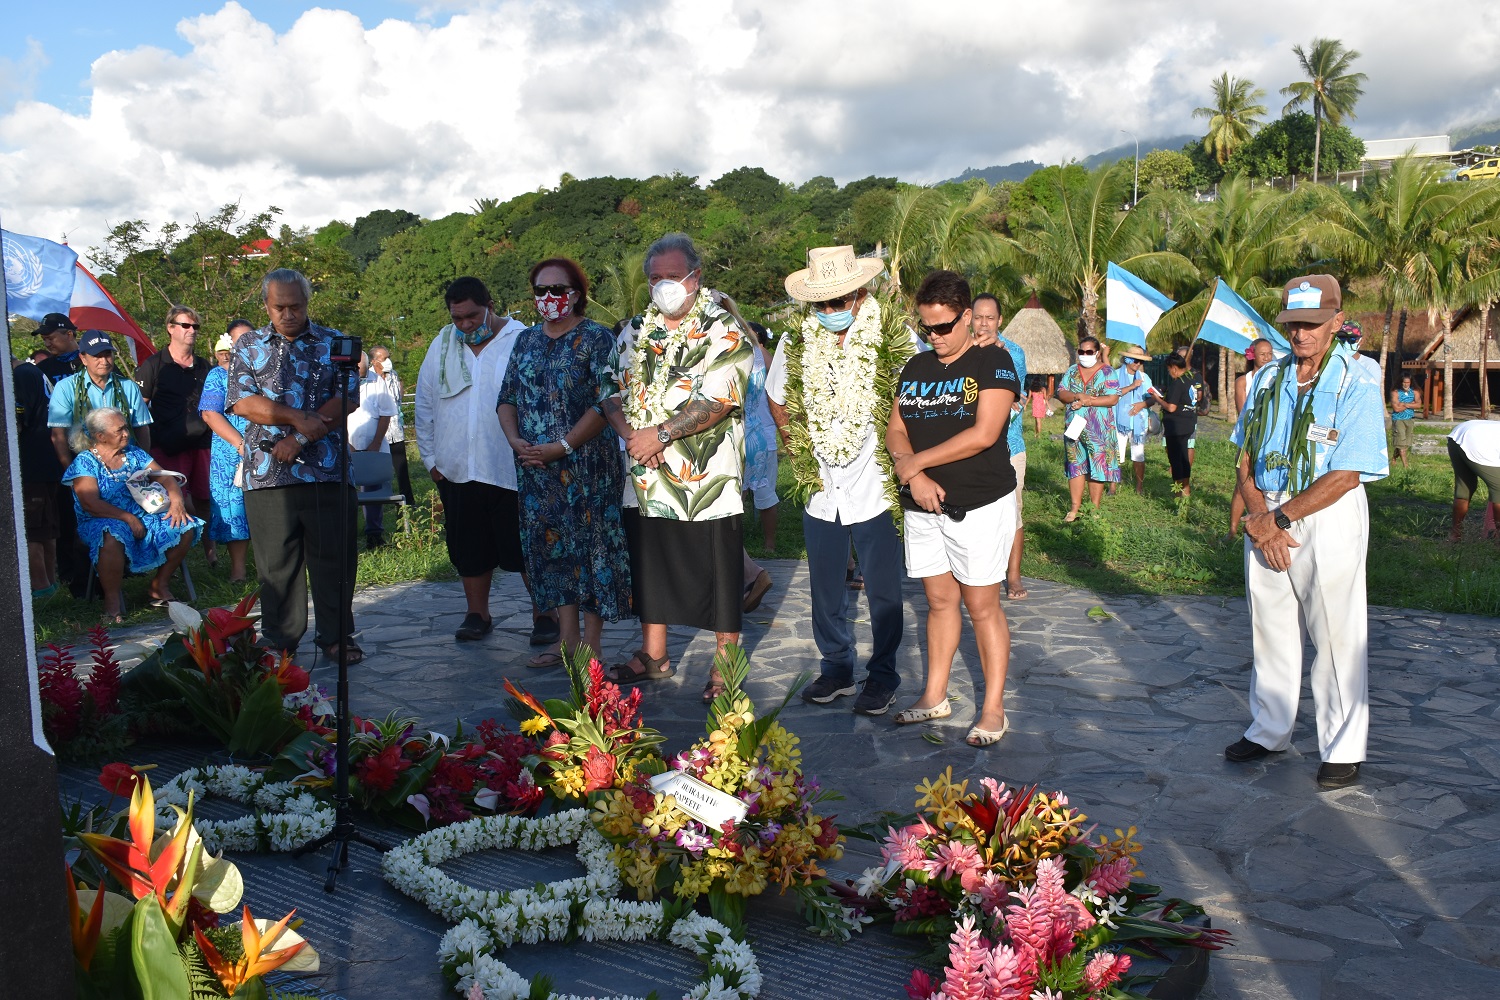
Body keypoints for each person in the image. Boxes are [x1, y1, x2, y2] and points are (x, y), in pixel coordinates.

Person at [1227, 274, 1387, 789]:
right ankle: (1270, 727)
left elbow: (1348, 473)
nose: (1301, 334)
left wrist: (1278, 519)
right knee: (1269, 626)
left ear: (1337, 323)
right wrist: (1259, 513)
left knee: (1336, 633)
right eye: (1293, 324)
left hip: (1326, 512)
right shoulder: (1268, 379)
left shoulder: (1358, 377)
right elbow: (1244, 454)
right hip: (1266, 513)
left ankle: (1342, 746)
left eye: (1313, 324)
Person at [766, 245, 914, 715]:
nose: (830, 311)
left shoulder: (894, 336)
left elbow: (916, 396)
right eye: (821, 303)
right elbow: (776, 398)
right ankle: (836, 669)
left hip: (875, 483)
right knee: (825, 587)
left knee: (885, 588)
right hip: (822, 489)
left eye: (839, 300)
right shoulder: (795, 341)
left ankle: (883, 676)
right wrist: (797, 447)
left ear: (860, 292)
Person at [610, 233, 753, 702]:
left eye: (672, 277)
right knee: (651, 566)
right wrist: (634, 437)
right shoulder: (635, 331)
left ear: (696, 277)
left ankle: (725, 667)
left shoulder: (722, 328)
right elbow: (610, 390)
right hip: (646, 477)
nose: (663, 286)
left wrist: (662, 435)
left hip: (705, 477)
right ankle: (655, 655)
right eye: (655, 279)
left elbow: (720, 397)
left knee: (718, 570)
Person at [886, 270, 1021, 747]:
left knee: (981, 605)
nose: (935, 336)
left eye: (944, 327)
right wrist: (916, 476)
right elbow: (895, 429)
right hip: (923, 505)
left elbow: (985, 433)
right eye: (927, 327)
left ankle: (992, 707)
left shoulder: (995, 362)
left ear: (967, 317)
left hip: (979, 504)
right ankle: (935, 695)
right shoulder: (916, 367)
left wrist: (914, 463)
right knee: (939, 601)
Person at [498, 257, 632, 667]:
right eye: (541, 290)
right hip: (537, 470)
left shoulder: (596, 339)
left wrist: (565, 445)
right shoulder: (524, 341)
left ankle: (591, 644)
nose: (549, 298)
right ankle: (567, 641)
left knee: (590, 552)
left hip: (588, 467)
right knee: (552, 553)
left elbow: (606, 402)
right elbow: (506, 399)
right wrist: (517, 442)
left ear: (577, 293)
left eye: (558, 289)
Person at [228, 268, 363, 664]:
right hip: (268, 472)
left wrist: (302, 435)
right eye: (279, 307)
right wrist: (294, 417)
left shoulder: (335, 341)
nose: (288, 314)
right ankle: (281, 640)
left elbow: (348, 398)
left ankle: (337, 637)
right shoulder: (247, 345)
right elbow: (242, 402)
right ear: (266, 306)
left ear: (308, 303)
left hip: (327, 469)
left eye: (296, 306)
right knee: (276, 565)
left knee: (333, 559)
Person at [414, 277, 555, 645]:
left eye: (472, 317)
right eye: (457, 318)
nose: (464, 325)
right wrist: (430, 458)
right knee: (469, 549)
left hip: (512, 466)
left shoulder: (523, 339)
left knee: (526, 546)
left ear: (490, 305)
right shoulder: (442, 344)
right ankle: (477, 614)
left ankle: (545, 615)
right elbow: (426, 401)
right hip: (458, 466)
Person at [62, 407, 203, 623]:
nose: (126, 433)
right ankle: (112, 602)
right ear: (101, 437)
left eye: (125, 428)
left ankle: (159, 585)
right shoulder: (85, 462)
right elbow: (90, 503)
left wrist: (177, 502)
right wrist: (127, 518)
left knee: (185, 525)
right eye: (119, 430)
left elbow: (165, 477)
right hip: (99, 520)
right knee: (111, 535)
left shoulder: (134, 454)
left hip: (141, 515)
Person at [135, 305, 215, 564]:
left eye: (195, 327)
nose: (192, 331)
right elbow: (139, 409)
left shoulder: (205, 366)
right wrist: (144, 450)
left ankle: (210, 553)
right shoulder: (153, 365)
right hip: (167, 445)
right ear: (170, 328)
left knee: (204, 499)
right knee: (170, 501)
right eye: (185, 325)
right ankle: (172, 558)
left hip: (202, 443)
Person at [973, 293, 1030, 599]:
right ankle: (982, 573)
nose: (983, 323)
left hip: (1009, 445)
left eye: (990, 318)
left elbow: (1016, 398)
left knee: (1012, 513)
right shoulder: (961, 349)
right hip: (969, 447)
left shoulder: (1014, 353)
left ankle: (1014, 575)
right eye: (978, 317)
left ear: (1000, 320)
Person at [198, 320, 255, 583]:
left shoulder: (265, 371)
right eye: (237, 340)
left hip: (267, 445)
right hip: (231, 450)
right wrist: (241, 444)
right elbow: (210, 414)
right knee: (234, 508)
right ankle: (239, 572)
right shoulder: (218, 376)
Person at [48, 330, 154, 464]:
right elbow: (58, 435)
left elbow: (142, 428)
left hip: (127, 463)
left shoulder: (128, 386)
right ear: (83, 359)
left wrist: (142, 466)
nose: (104, 361)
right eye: (97, 356)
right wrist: (71, 474)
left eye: (107, 354)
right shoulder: (65, 388)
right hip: (85, 465)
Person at [13, 355, 63, 598]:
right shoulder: (33, 372)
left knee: (31, 529)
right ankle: (51, 585)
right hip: (47, 460)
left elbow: (16, 423)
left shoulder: (20, 375)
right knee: (46, 528)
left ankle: (41, 588)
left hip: (32, 463)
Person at [1056, 336, 1120, 520]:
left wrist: (1088, 400)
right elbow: (1061, 392)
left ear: (1097, 353)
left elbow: (1113, 398)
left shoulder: (1108, 372)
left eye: (1089, 352)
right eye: (1081, 351)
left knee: (1097, 466)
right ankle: (1074, 508)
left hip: (1099, 430)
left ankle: (1094, 509)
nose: (1084, 355)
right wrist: (1077, 395)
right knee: (1075, 464)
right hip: (1074, 427)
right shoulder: (1072, 371)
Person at [347, 351, 398, 549]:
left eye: (361, 371)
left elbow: (386, 414)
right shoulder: (340, 378)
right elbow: (337, 413)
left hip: (373, 443)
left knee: (373, 487)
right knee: (346, 490)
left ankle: (374, 534)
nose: (357, 374)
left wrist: (376, 443)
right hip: (347, 443)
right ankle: (347, 534)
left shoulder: (377, 382)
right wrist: (347, 444)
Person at [1229, 339, 1276, 537]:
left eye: (1270, 354)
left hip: (1272, 438)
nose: (1267, 358)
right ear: (1252, 355)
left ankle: (1265, 523)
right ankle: (1232, 530)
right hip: (1251, 437)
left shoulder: (1277, 377)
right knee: (1243, 484)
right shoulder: (1244, 381)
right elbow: (1243, 413)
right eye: (1262, 354)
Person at [370, 346, 415, 506]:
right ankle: (380, 505)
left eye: (388, 357)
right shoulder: (367, 379)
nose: (388, 361)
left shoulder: (393, 375)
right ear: (374, 361)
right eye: (384, 358)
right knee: (379, 474)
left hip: (396, 431)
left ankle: (407, 504)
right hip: (378, 435)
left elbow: (398, 399)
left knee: (402, 470)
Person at [1446, 419, 1500, 541]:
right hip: (1476, 441)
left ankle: (1455, 536)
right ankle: (1499, 540)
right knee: (1499, 489)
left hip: (1457, 435)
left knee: (1464, 488)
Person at [1112, 347, 1155, 495]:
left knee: (1139, 455)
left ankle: (1139, 487)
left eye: (1140, 361)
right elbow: (1112, 394)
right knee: (1116, 455)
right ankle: (1113, 487)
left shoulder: (1145, 378)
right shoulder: (1115, 375)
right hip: (1118, 422)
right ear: (1127, 360)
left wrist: (1141, 405)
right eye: (1135, 360)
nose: (1137, 363)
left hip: (1138, 423)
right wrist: (1132, 386)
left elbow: (1152, 398)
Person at [1159, 355, 1197, 496]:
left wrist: (1158, 399)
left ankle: (1179, 491)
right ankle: (1186, 488)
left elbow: (1171, 407)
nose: (1169, 373)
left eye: (1169, 370)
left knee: (1176, 460)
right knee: (1184, 458)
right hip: (1188, 423)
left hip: (1176, 426)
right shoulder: (1190, 380)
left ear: (1174, 368)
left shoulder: (1177, 383)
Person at [1390, 373, 1419, 471]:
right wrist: (1412, 404)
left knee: (1405, 443)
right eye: (1404, 382)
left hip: (1409, 419)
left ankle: (1394, 458)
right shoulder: (1395, 392)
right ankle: (1405, 466)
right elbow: (1396, 408)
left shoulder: (1414, 392)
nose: (1406, 384)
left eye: (1408, 382)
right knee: (1401, 440)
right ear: (1401, 383)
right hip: (1398, 419)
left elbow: (1418, 404)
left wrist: (1405, 404)